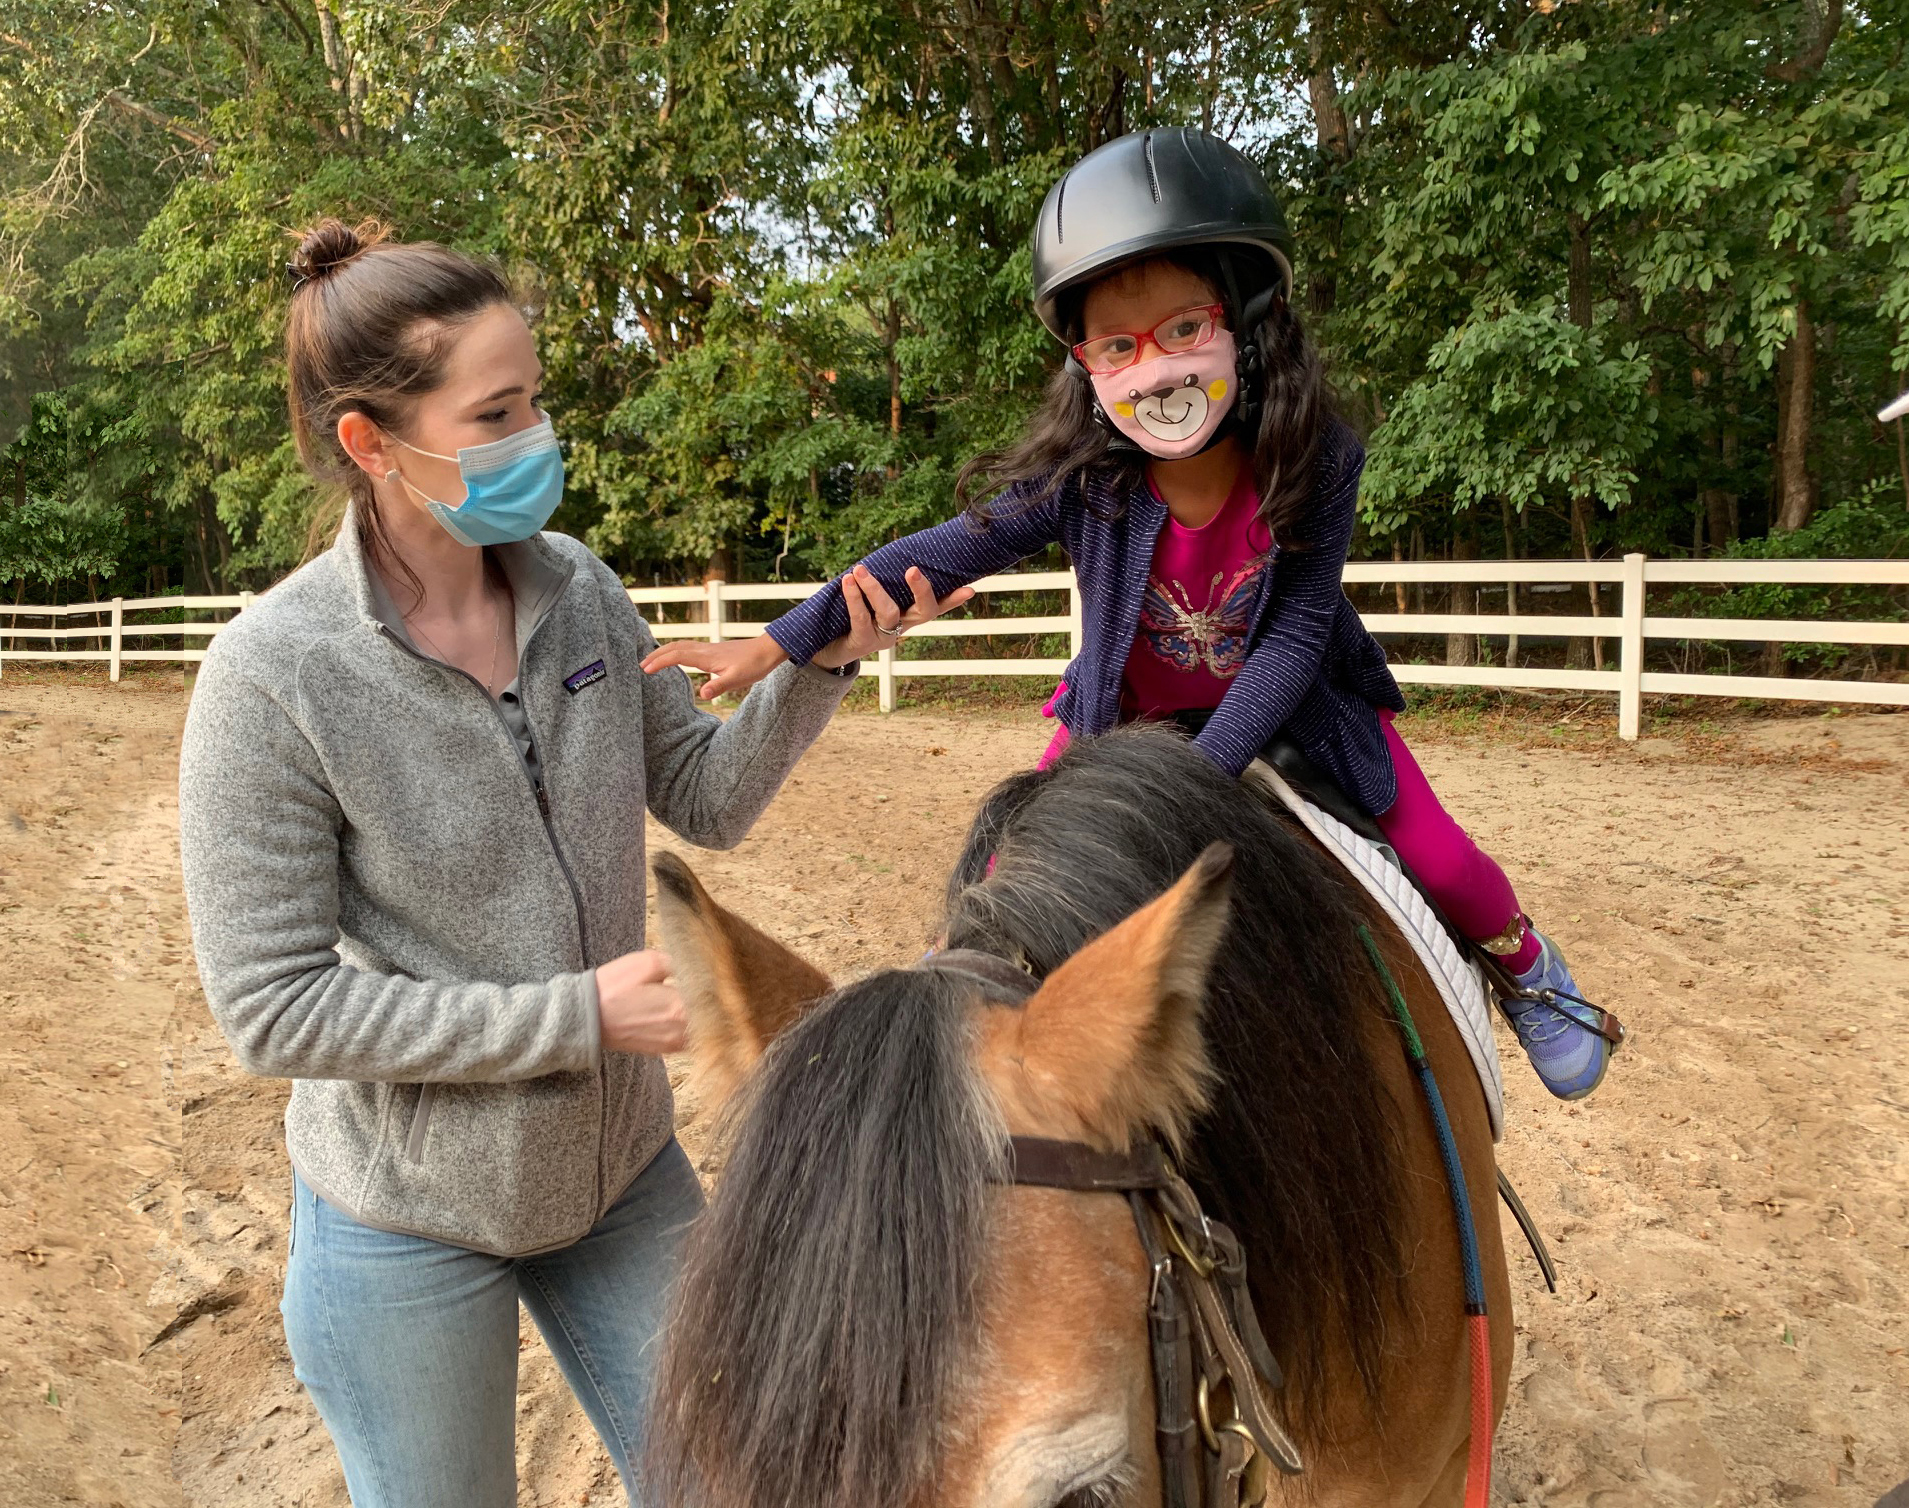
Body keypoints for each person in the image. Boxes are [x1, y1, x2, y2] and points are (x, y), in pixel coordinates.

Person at [176, 218, 966, 1508]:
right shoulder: (274, 675)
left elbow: (704, 795)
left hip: (621, 1179)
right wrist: (576, 1015)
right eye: (496, 412)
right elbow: (272, 1008)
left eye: (536, 397)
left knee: (746, 1484)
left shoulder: (581, 593)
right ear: (372, 445)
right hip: (405, 1218)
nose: (538, 434)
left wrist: (821, 662)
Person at [644, 130, 1614, 1101]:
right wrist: (778, 639)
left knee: (1445, 859)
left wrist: (1189, 783)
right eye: (1118, 346)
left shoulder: (1318, 462)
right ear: (1085, 366)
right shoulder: (1083, 480)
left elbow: (1293, 635)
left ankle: (1529, 968)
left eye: (1183, 331)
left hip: (1293, 705)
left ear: (1249, 321)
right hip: (1120, 715)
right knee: (999, 874)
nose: (1152, 371)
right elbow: (934, 551)